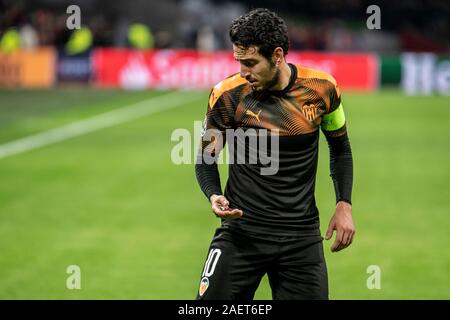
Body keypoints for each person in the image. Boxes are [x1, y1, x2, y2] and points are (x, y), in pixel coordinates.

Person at [195, 8, 355, 300]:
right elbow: (206, 157)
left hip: (301, 238)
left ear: (277, 55)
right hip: (241, 233)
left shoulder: (322, 90)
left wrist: (344, 204)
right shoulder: (226, 95)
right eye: (239, 62)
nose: (244, 72)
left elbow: (341, 149)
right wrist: (212, 193)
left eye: (252, 63)